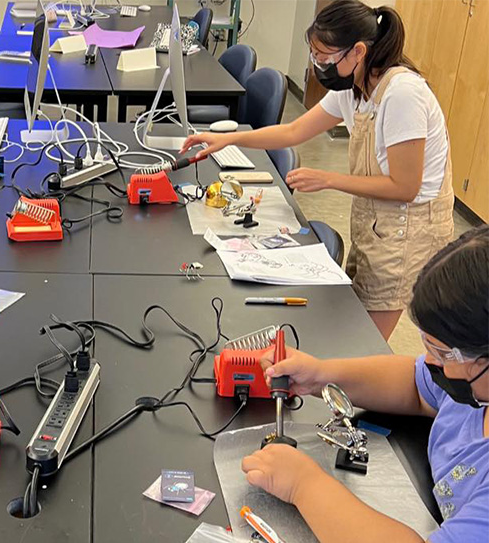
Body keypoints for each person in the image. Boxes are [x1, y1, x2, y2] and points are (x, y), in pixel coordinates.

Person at [182, 0, 454, 341]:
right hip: (378, 220)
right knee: (355, 323)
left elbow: (405, 186)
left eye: (325, 57)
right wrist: (227, 138)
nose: (319, 65)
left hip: (408, 227)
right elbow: (293, 131)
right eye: (315, 56)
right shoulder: (354, 88)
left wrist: (328, 179)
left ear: (358, 51)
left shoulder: (402, 94)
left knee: (364, 342)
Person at [241, 225, 488, 543]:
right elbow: (415, 384)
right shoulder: (472, 388)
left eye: (442, 352)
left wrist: (304, 485)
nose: (431, 364)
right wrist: (322, 375)